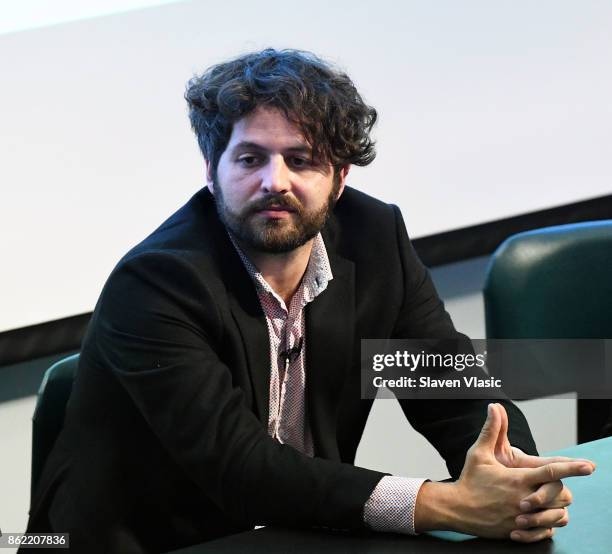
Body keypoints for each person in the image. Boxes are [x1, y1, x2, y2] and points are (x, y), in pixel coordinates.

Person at [23, 48, 594, 553]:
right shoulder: (157, 281)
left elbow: (446, 389)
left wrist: (511, 475)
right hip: (150, 542)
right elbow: (240, 468)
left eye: (301, 159)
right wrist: (440, 505)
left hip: (301, 533)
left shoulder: (375, 241)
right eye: (250, 159)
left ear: (339, 177)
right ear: (211, 171)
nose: (275, 181)